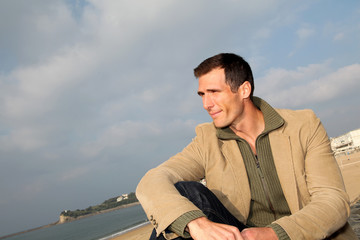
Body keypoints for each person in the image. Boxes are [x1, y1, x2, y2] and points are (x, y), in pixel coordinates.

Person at [136, 53, 357, 240]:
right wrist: (195, 223)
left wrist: (273, 233)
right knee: (186, 193)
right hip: (242, 235)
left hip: (301, 235)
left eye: (214, 92)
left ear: (244, 90)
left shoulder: (303, 125)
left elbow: (332, 201)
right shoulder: (206, 140)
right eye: (202, 95)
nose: (206, 104)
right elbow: (153, 180)